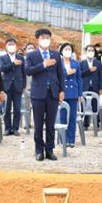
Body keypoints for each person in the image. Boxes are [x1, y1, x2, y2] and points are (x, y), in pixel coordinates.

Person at [25, 28, 65, 161]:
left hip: (53, 93)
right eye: (43, 37)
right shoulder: (31, 55)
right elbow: (28, 71)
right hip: (38, 94)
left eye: (47, 37)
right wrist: (43, 64)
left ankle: (49, 150)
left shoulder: (56, 55)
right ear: (38, 39)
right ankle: (38, 151)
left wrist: (62, 90)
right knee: (38, 124)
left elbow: (61, 74)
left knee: (50, 124)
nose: (45, 39)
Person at [0, 38, 26, 136]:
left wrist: (24, 85)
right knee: (7, 108)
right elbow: (2, 68)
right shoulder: (3, 58)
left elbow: (24, 72)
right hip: (7, 86)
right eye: (9, 44)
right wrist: (13, 64)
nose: (11, 46)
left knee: (17, 108)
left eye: (13, 44)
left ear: (16, 46)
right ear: (6, 46)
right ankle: (7, 128)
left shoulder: (21, 58)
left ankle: (15, 128)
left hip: (18, 86)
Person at [59, 43, 83, 147]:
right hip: (62, 92)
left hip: (73, 92)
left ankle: (71, 140)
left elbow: (79, 79)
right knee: (62, 117)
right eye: (65, 49)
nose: (67, 50)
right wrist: (67, 73)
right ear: (62, 51)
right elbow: (56, 76)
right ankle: (62, 139)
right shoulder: (58, 63)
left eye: (69, 49)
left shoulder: (76, 63)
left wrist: (80, 93)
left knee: (72, 117)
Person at [80, 45, 102, 128]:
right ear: (86, 52)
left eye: (92, 50)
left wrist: (101, 88)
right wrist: (88, 70)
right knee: (84, 105)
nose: (90, 52)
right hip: (85, 87)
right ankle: (85, 123)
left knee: (95, 104)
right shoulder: (82, 63)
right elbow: (79, 75)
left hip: (95, 87)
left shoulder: (98, 63)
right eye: (89, 50)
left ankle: (96, 123)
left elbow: (101, 76)